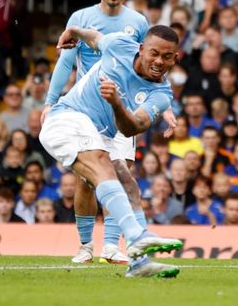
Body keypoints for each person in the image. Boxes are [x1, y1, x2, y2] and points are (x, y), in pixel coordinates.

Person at [40, 24, 183, 278]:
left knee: (128, 183)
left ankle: (140, 263)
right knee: (102, 165)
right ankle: (136, 236)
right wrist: (74, 30)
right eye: (154, 53)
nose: (159, 61)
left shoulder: (161, 94)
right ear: (141, 49)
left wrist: (116, 103)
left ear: (176, 57)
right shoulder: (119, 44)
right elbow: (95, 38)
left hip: (102, 133)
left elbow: (132, 128)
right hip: (67, 117)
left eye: (167, 56)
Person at [41, 0, 153, 266]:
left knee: (122, 172)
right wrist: (50, 101)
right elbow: (66, 61)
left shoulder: (139, 22)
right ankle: (86, 246)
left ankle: (112, 246)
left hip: (121, 108)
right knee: (88, 180)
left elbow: (144, 68)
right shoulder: (82, 17)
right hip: (86, 110)